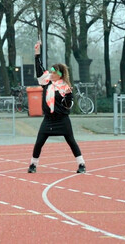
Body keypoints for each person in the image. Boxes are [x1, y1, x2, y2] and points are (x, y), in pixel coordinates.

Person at [28, 41, 86, 174]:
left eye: (54, 72)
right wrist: (37, 54)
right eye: (51, 72)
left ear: (60, 74)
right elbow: (40, 70)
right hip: (48, 119)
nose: (51, 74)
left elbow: (68, 105)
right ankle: (33, 165)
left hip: (62, 119)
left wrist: (68, 98)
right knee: (39, 142)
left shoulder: (66, 87)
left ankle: (81, 164)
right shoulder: (47, 83)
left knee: (71, 141)